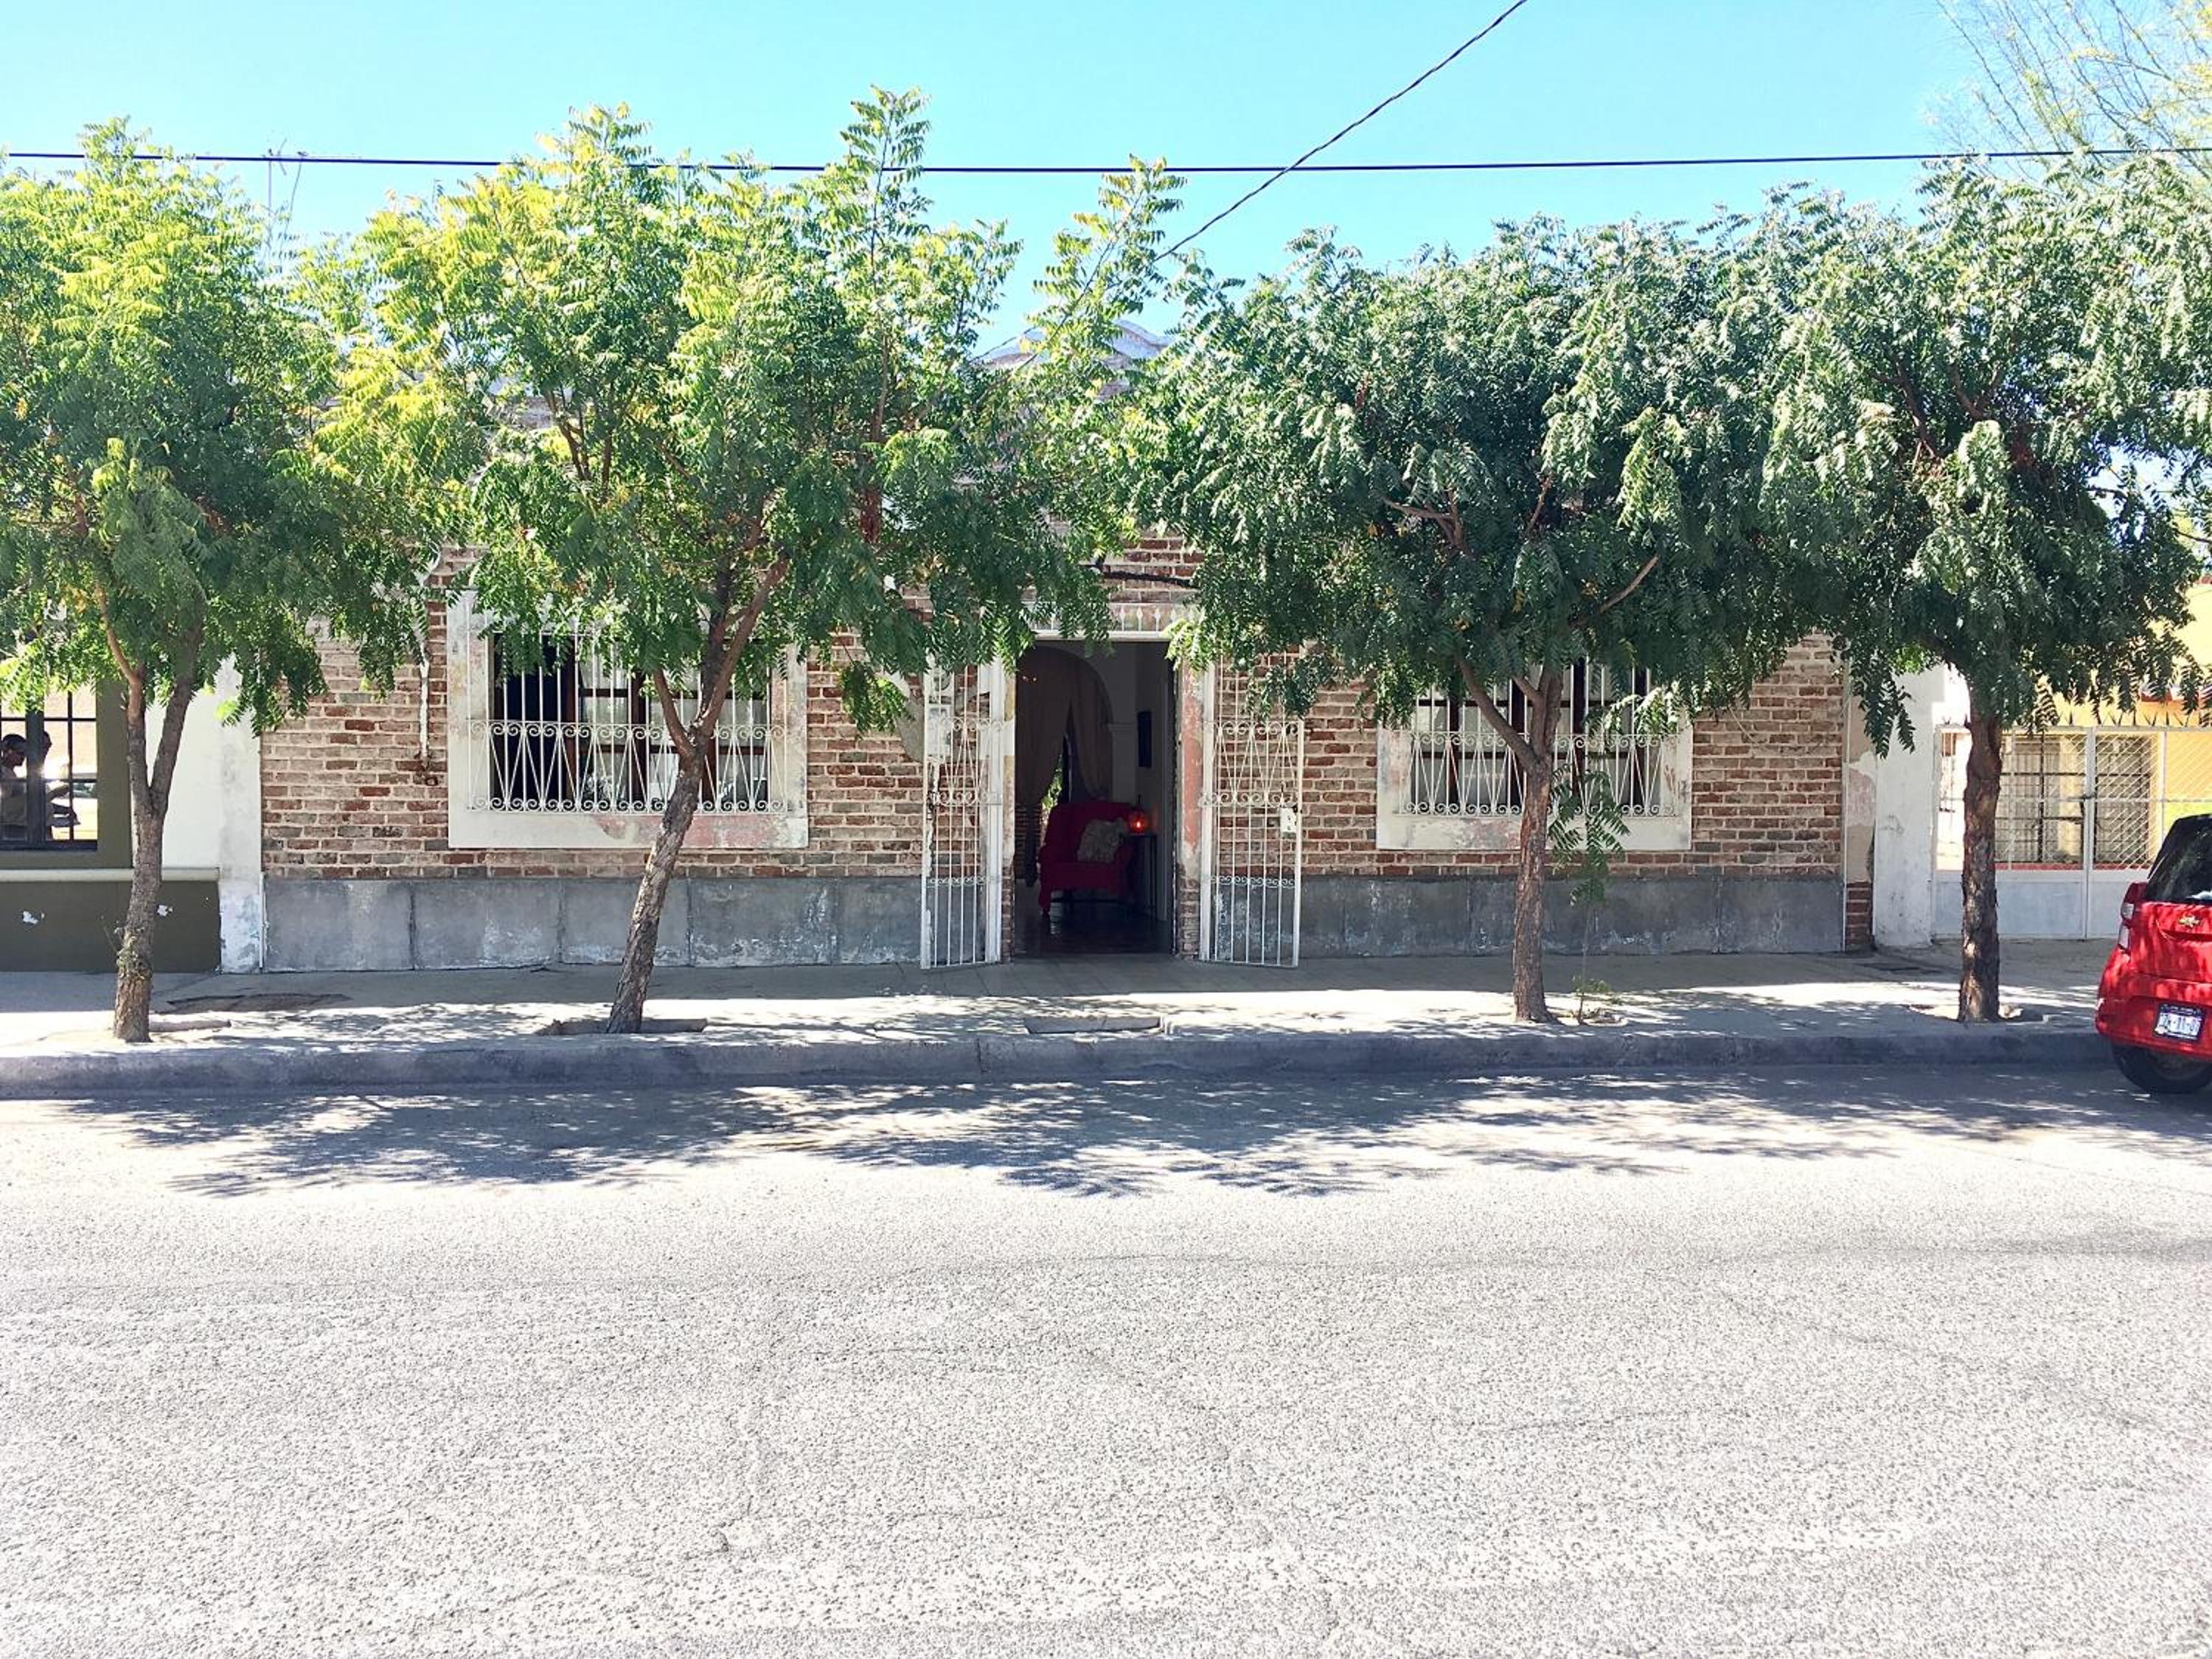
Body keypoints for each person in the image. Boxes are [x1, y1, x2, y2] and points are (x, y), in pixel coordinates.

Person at [0, 734, 27, 841]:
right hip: (8, 824)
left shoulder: (11, 773)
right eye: (20, 752)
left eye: (25, 753)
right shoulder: (3, 773)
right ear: (7, 751)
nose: (23, 756)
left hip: (15, 823)